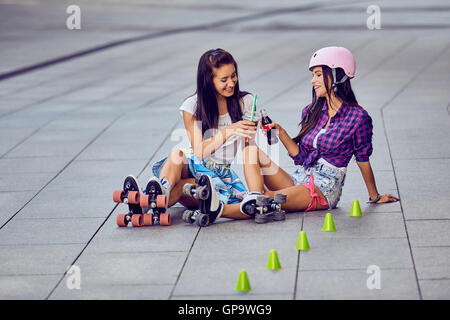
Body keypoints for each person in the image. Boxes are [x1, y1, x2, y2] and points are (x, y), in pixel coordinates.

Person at [237, 46, 399, 216]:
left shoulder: (358, 117)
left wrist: (374, 196)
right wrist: (281, 132)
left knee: (266, 197)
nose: (313, 80)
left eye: (319, 75)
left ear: (337, 75)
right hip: (300, 179)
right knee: (251, 152)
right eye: (313, 75)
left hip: (323, 189)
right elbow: (302, 158)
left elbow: (363, 159)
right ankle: (252, 196)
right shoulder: (311, 111)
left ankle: (224, 209)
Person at [149, 48, 258, 220]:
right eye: (224, 79)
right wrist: (229, 130)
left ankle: (146, 202)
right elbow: (199, 152)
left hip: (216, 176)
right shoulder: (191, 106)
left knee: (185, 187)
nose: (231, 83)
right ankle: (161, 189)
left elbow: (250, 149)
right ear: (209, 81)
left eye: (233, 76)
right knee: (177, 154)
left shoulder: (246, 102)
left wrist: (255, 191)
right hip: (193, 163)